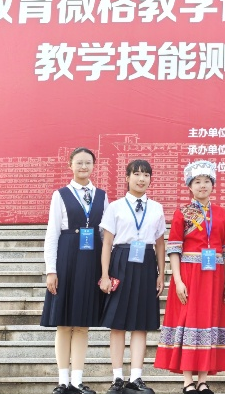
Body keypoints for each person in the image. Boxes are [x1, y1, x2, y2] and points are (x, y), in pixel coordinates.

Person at [156, 160, 225, 394]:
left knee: (209, 321)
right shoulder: (182, 212)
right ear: (189, 186)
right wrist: (177, 280)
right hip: (189, 275)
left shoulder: (220, 213)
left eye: (207, 181)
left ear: (213, 185)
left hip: (214, 276)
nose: (203, 185)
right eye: (197, 181)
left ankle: (203, 380)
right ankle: (187, 381)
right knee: (188, 320)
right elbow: (174, 249)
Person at [41, 147, 107, 395]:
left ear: (94, 166)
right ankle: (63, 382)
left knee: (82, 324)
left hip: (91, 261)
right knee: (64, 324)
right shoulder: (60, 195)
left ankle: (78, 382)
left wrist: (105, 270)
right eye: (79, 162)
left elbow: (105, 234)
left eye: (88, 162)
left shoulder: (102, 196)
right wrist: (51, 270)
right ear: (70, 165)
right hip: (67, 258)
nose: (83, 167)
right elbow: (52, 233)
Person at [99, 159, 166, 395]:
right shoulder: (115, 207)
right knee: (117, 323)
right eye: (136, 174)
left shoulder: (156, 208)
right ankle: (117, 378)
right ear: (127, 177)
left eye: (146, 175)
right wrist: (105, 274)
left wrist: (161, 273)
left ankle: (136, 377)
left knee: (141, 324)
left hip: (146, 263)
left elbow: (160, 243)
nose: (141, 179)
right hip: (121, 261)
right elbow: (107, 243)